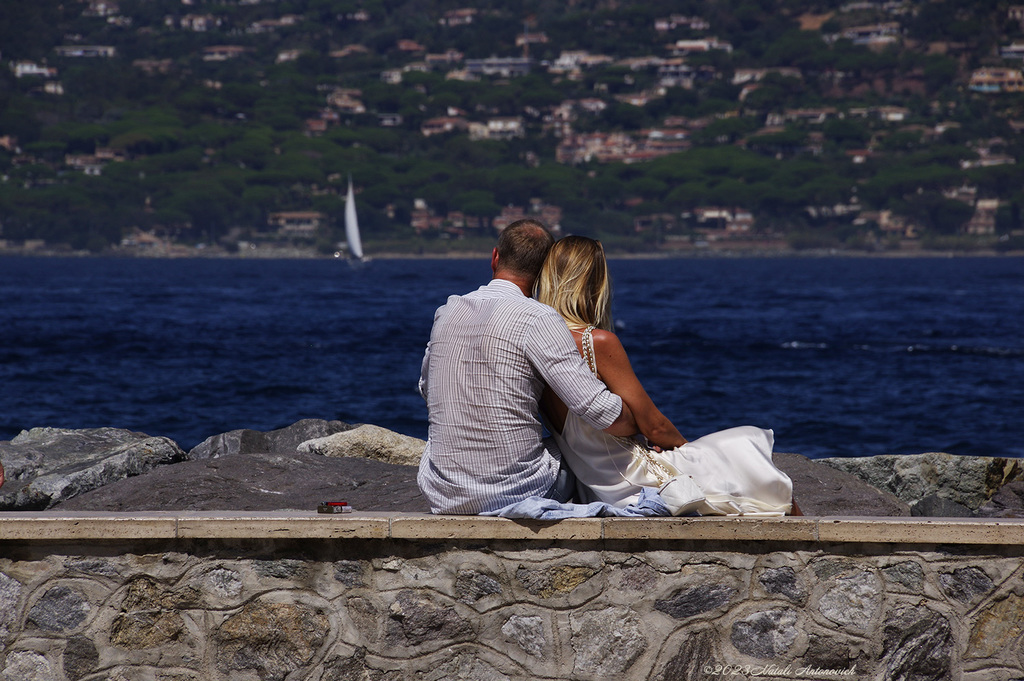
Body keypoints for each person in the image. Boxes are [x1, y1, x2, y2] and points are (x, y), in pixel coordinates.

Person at [535, 235, 800, 516]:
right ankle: (807, 548)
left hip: (596, 485)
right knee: (746, 445)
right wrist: (691, 452)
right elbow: (655, 427)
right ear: (595, 283)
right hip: (634, 480)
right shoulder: (596, 342)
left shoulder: (536, 343)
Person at [417, 220, 636, 515]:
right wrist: (638, 429)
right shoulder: (539, 318)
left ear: (495, 257)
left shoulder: (447, 311)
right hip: (518, 492)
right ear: (545, 268)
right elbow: (599, 410)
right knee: (578, 456)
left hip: (444, 495)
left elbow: (425, 388)